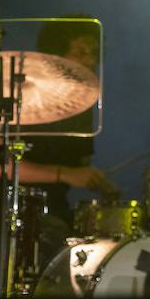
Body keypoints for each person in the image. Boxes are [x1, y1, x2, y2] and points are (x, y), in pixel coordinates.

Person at [12, 17, 118, 261]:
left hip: (57, 212)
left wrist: (100, 183)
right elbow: (3, 169)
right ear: (56, 54)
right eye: (81, 52)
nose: (90, 60)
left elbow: (80, 168)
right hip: (15, 212)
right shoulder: (24, 99)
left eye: (94, 53)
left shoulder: (82, 108)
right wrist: (66, 174)